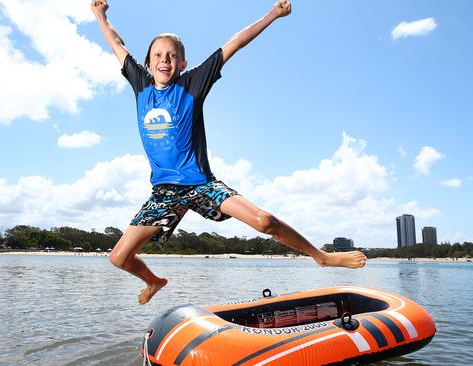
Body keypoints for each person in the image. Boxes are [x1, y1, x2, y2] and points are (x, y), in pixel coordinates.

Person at [91, 0, 367, 305]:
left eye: (172, 56)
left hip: (201, 184)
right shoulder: (140, 84)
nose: (165, 60)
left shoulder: (193, 83)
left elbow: (234, 43)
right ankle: (154, 281)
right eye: (158, 55)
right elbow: (115, 42)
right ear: (147, 62)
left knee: (264, 222)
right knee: (118, 257)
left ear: (182, 64)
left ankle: (322, 257)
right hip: (163, 192)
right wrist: (99, 14)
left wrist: (272, 15)